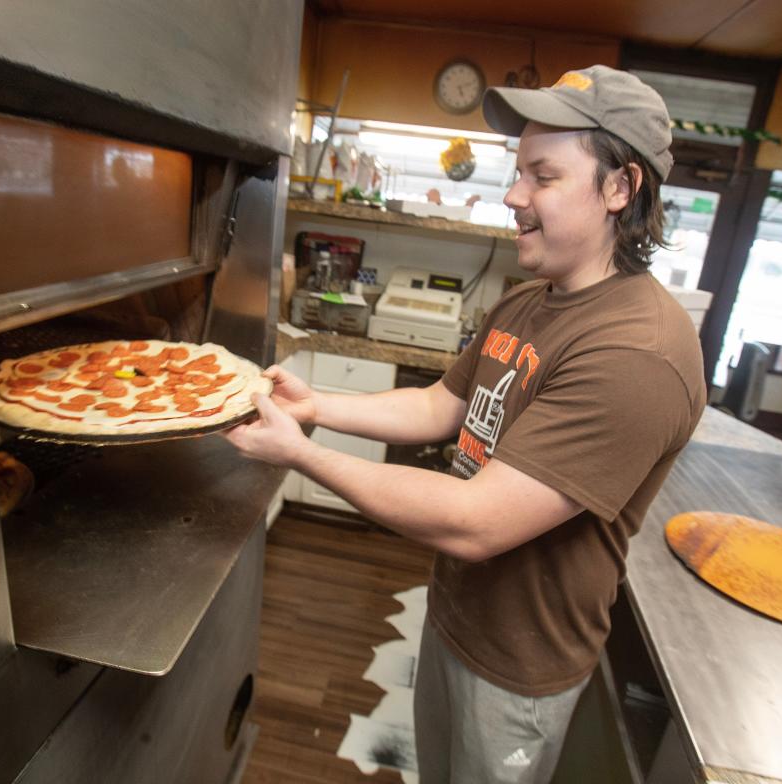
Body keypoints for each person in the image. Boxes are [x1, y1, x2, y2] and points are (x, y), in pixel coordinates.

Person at [225, 64, 706, 783]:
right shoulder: (528, 302)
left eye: (542, 176)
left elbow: (476, 521)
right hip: (456, 617)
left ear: (619, 188)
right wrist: (317, 406)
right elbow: (436, 408)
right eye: (519, 173)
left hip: (521, 666)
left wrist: (301, 455)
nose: (513, 196)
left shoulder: (638, 352)